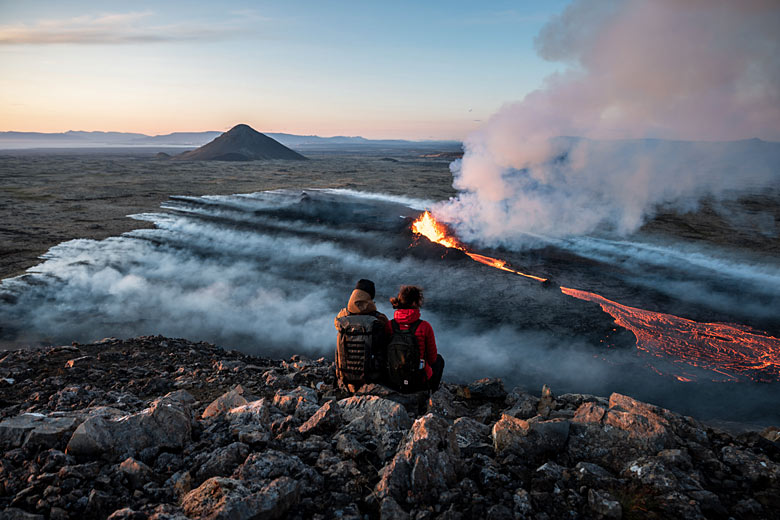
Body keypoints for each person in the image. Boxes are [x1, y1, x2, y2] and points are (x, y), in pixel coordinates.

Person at [334, 279, 392, 390]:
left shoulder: (342, 317)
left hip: (346, 375)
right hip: (372, 377)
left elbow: (336, 322)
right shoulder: (379, 319)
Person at [389, 285, 444, 391]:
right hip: (418, 382)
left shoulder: (389, 326)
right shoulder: (424, 327)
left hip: (394, 381)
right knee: (439, 360)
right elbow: (432, 359)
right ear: (414, 303)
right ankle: (429, 394)